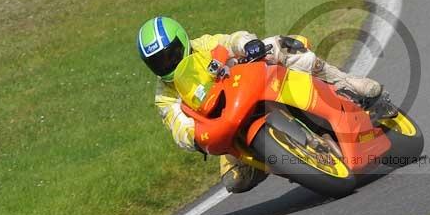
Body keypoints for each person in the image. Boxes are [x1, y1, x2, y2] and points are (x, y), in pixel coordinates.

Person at [137, 16, 386, 193]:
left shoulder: (202, 45)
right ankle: (267, 162)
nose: (168, 64)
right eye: (159, 63)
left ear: (182, 40)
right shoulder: (164, 95)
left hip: (250, 84)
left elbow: (231, 40)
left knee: (280, 47)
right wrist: (192, 137)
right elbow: (176, 125)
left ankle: (347, 84)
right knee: (234, 183)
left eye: (171, 54)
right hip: (227, 127)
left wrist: (247, 44)